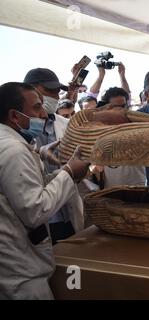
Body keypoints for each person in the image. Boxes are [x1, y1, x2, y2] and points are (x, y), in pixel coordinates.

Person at [0, 82, 89, 299]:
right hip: (20, 273)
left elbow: (20, 190)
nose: (44, 113)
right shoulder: (13, 150)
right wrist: (68, 172)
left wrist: (43, 161)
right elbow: (35, 211)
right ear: (14, 115)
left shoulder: (10, 143)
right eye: (38, 107)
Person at [23, 67, 82, 242]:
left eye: (57, 92)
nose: (55, 97)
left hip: (67, 212)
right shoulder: (19, 130)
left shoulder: (69, 125)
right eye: (49, 91)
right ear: (29, 91)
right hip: (39, 219)